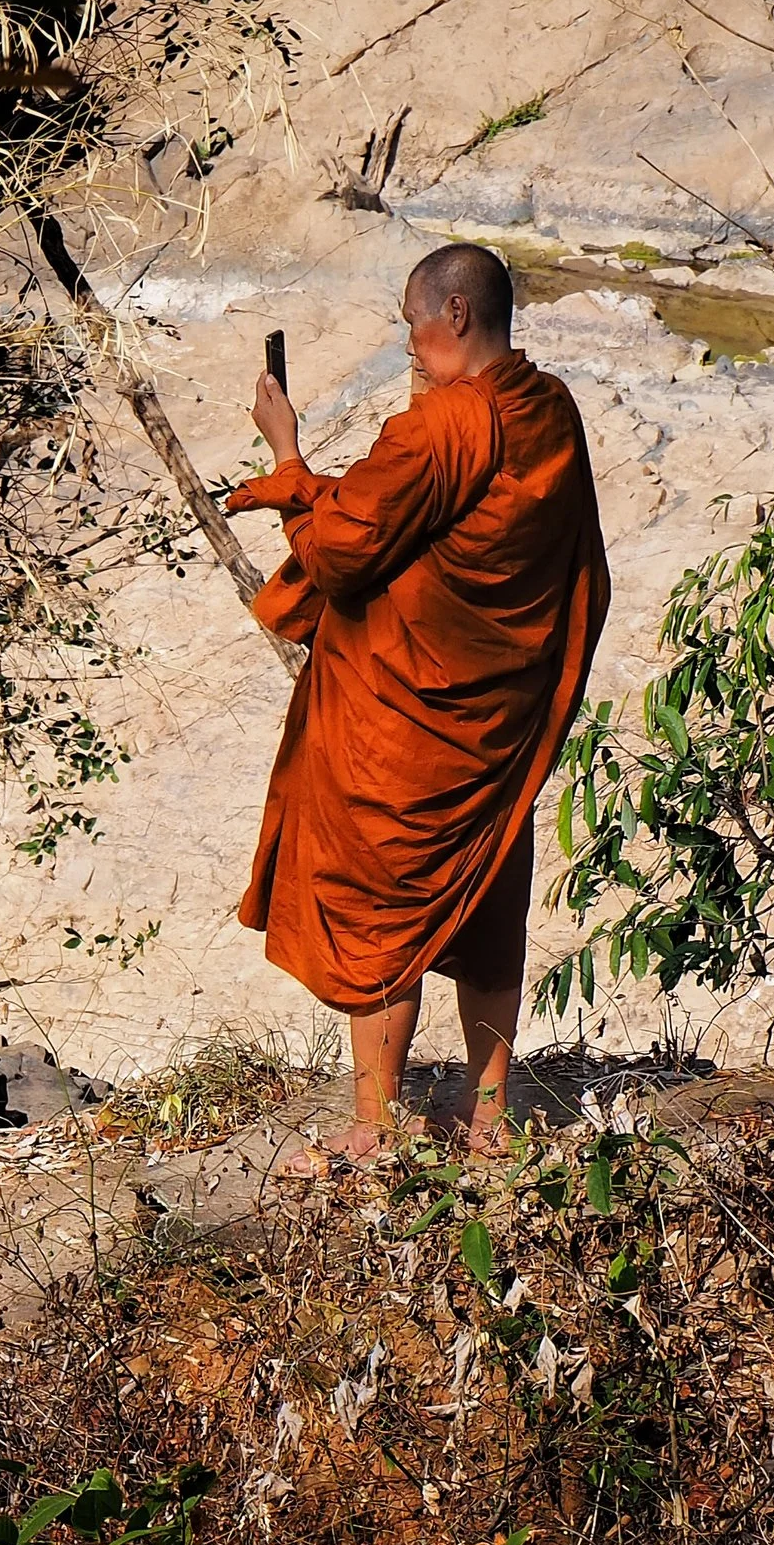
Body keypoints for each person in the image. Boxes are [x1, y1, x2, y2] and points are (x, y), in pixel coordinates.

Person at [224, 242, 610, 1166]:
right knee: (485, 901)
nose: (408, 341)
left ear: (456, 316)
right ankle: (489, 1119)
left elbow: (347, 550)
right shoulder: (551, 411)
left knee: (380, 903)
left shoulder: (441, 426)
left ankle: (377, 1120)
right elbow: (575, 566)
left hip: (401, 726)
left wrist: (287, 459)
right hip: (493, 724)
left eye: (412, 322)